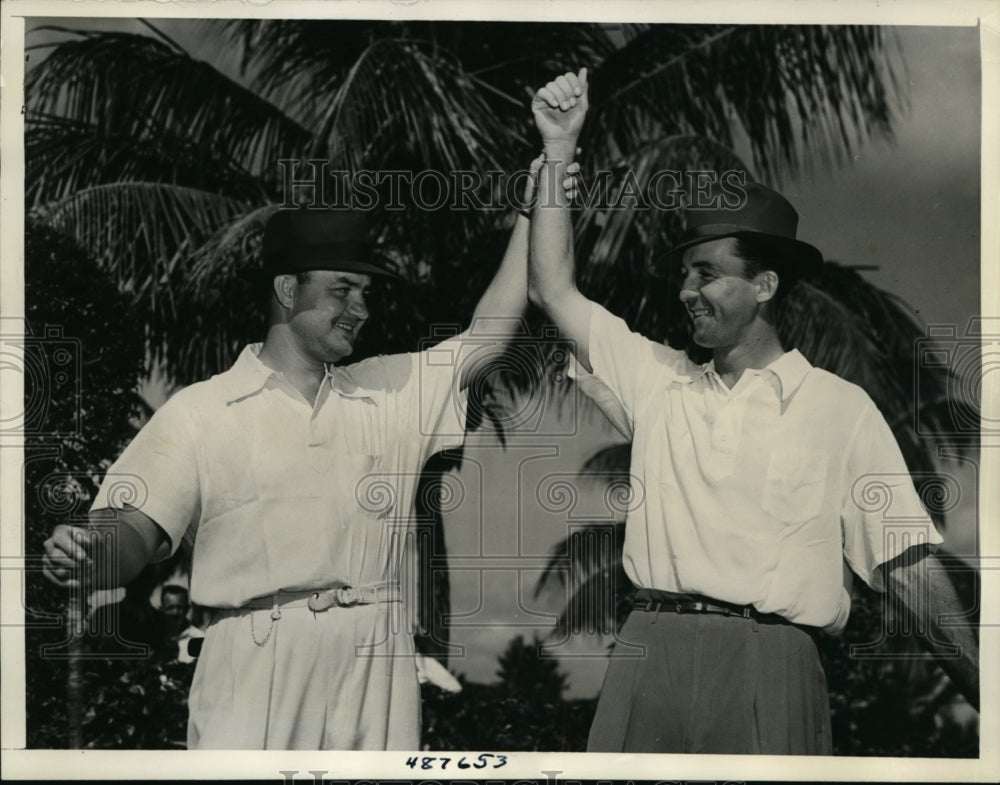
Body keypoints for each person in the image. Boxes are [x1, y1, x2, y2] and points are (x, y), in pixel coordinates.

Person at [41, 157, 571, 750]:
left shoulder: (391, 389)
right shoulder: (201, 411)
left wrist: (533, 206)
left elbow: (488, 333)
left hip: (377, 662)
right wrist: (94, 553)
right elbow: (136, 528)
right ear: (287, 290)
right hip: (253, 662)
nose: (361, 308)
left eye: (365, 291)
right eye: (342, 289)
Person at [527, 68, 979, 754]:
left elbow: (907, 567)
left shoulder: (839, 408)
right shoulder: (658, 379)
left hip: (775, 665)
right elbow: (553, 288)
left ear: (764, 284)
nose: (685, 290)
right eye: (683, 273)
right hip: (649, 654)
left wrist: (987, 691)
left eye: (706, 272)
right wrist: (558, 149)